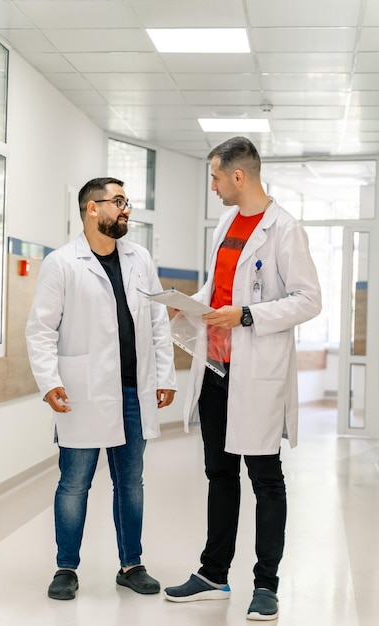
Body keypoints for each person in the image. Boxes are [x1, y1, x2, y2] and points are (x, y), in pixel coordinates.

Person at [163, 137, 321, 620]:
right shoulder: (227, 223)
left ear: (238, 176)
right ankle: (214, 574)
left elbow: (308, 299)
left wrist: (248, 315)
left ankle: (266, 586)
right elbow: (219, 286)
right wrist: (191, 303)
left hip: (256, 373)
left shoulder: (285, 230)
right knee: (219, 473)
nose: (211, 186)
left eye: (214, 177)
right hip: (216, 369)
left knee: (266, 479)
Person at [26, 177, 177, 600]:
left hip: (133, 391)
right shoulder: (62, 262)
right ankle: (66, 568)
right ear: (92, 208)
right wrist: (49, 381)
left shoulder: (140, 258)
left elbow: (156, 322)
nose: (126, 209)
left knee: (131, 483)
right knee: (74, 484)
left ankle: (131, 564)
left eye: (126, 201)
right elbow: (40, 330)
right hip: (82, 392)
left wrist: (164, 376)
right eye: (118, 201)